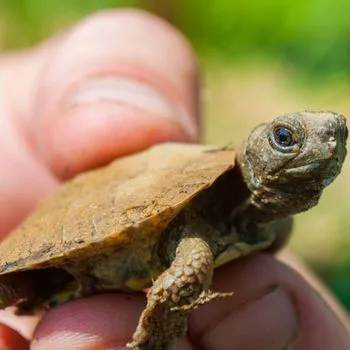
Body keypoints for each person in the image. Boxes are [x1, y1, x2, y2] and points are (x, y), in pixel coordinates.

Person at [0, 9, 349, 350]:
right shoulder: (202, 232)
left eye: (341, 135)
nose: (329, 146)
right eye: (286, 138)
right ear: (252, 153)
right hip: (59, 254)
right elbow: (183, 276)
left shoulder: (273, 230)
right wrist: (160, 334)